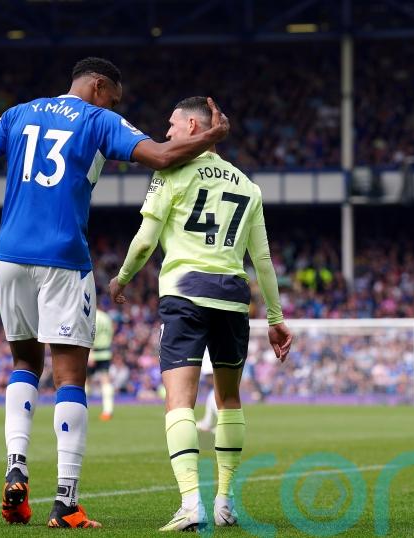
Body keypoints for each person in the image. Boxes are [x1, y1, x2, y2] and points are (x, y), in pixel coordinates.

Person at [0, 58, 229, 529]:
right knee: (70, 376)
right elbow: (162, 156)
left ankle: (16, 465)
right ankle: (66, 500)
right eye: (114, 97)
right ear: (98, 86)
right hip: (63, 256)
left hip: (9, 256)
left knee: (24, 363)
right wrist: (211, 137)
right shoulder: (98, 120)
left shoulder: (17, 114)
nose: (115, 105)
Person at [109, 96, 293, 531]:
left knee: (180, 401)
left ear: (194, 126)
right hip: (232, 298)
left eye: (172, 125)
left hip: (185, 295)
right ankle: (225, 501)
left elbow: (143, 241)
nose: (166, 132)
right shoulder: (248, 186)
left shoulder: (169, 171)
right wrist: (275, 318)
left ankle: (192, 503)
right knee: (228, 399)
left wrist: (121, 278)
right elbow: (262, 259)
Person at [89, 305, 115, 421]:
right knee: (105, 380)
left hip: (93, 352)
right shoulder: (106, 317)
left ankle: (82, 408)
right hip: (105, 352)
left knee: (84, 380)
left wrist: (90, 352)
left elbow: (90, 335)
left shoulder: (92, 316)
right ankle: (107, 411)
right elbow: (111, 333)